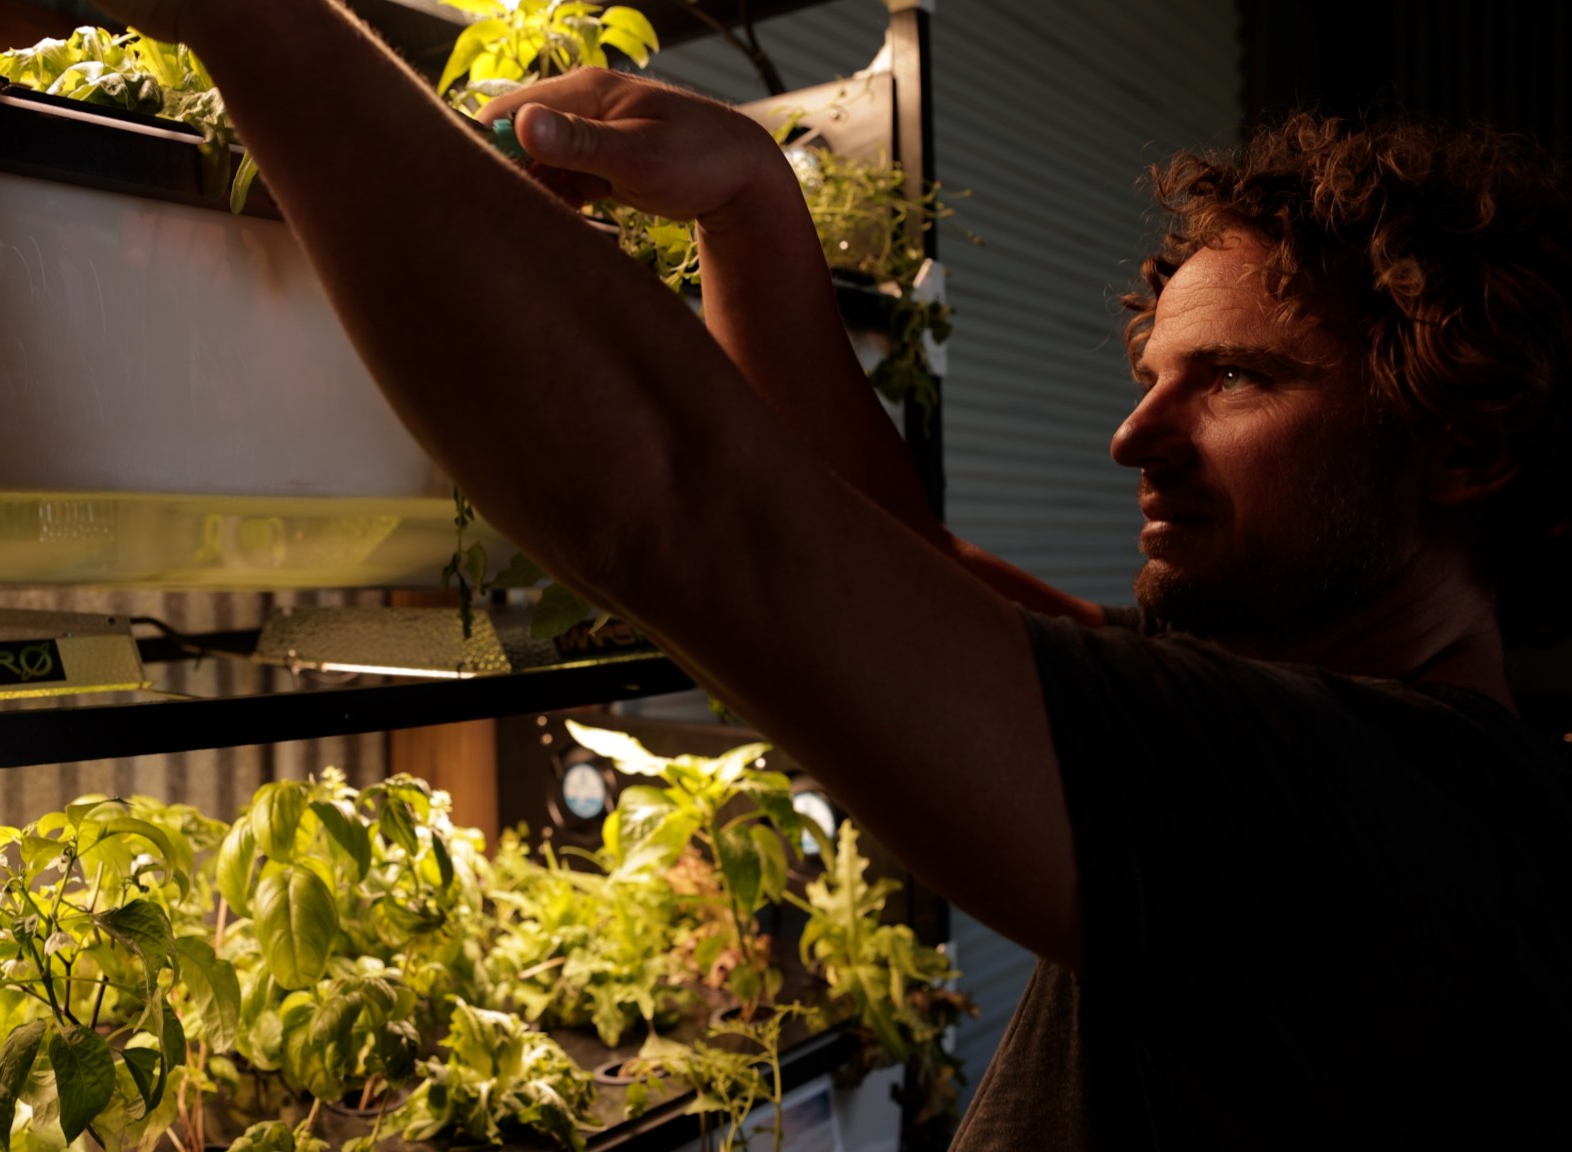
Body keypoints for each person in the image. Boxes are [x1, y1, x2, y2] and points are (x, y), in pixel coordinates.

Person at [89, 1, 1572, 1144]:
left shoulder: (1404, 829)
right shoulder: (1328, 742)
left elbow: (695, 513)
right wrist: (749, 207)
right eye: (1151, 375)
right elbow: (912, 578)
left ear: (1466, 448)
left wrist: (258, 24)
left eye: (1237, 382)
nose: (1135, 437)